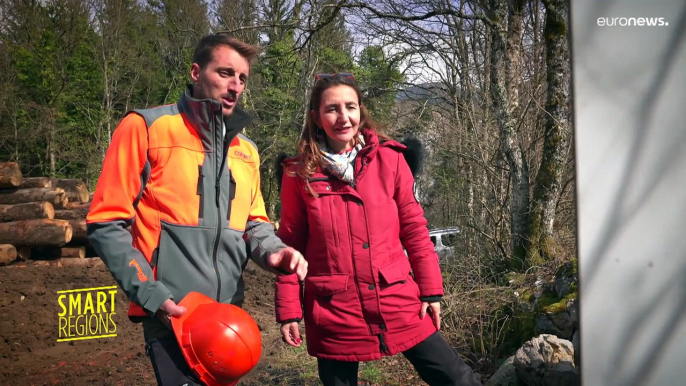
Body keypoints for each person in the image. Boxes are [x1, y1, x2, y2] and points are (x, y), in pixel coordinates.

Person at [86, 34, 308, 386]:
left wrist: (277, 253)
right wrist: (152, 296)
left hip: (230, 321)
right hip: (170, 314)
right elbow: (104, 221)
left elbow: (254, 224)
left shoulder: (247, 151)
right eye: (224, 73)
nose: (235, 85)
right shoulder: (145, 127)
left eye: (242, 78)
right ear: (195, 72)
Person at [274, 73, 482, 386]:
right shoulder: (298, 174)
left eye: (350, 107)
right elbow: (290, 245)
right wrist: (289, 310)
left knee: (457, 379)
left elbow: (414, 229)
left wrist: (431, 290)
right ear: (316, 117)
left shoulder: (391, 159)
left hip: (397, 297)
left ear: (361, 110)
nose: (343, 117)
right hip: (334, 310)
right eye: (332, 109)